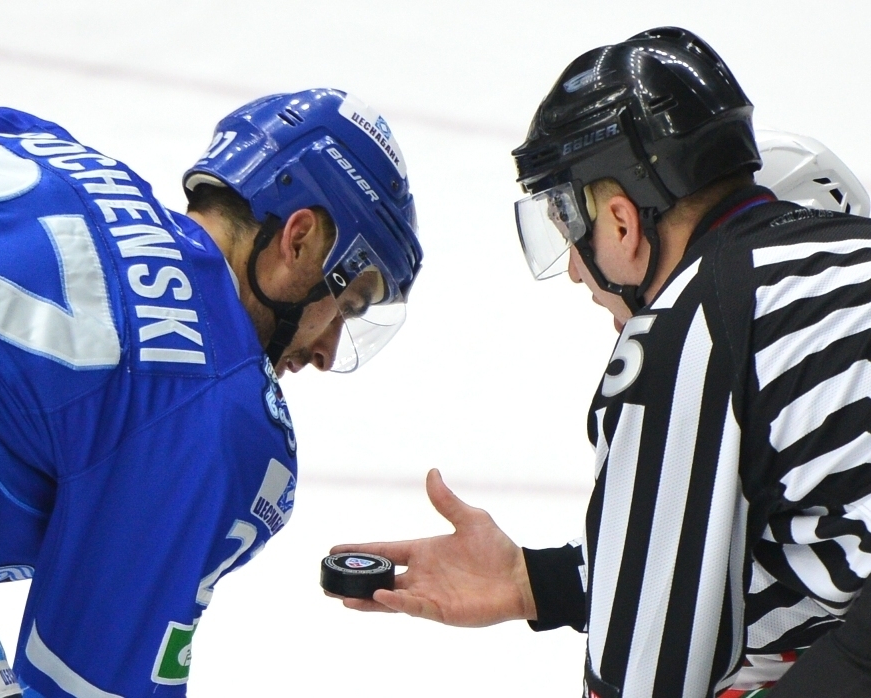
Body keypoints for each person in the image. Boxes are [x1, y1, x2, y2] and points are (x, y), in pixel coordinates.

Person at [0, 27, 422, 698]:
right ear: (298, 238)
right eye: (346, 304)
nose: (325, 352)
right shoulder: (217, 409)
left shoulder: (48, 153)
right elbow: (84, 683)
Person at [330, 27, 871, 698]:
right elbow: (796, 548)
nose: (574, 272)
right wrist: (540, 582)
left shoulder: (693, 325)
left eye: (570, 230)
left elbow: (644, 672)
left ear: (620, 221)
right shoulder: (846, 250)